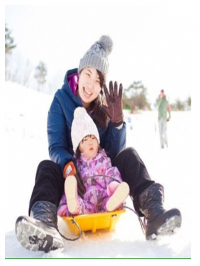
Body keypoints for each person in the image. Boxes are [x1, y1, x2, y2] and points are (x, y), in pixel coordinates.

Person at [15, 35, 182, 253]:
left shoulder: (102, 104)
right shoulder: (60, 100)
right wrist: (68, 167)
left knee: (129, 155)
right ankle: (45, 225)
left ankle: (153, 214)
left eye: (98, 81)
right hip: (72, 177)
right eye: (88, 74)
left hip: (101, 176)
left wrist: (117, 123)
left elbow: (114, 152)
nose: (91, 85)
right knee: (46, 167)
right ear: (79, 72)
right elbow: (56, 146)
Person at [58, 107, 129, 217]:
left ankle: (115, 199)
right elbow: (70, 187)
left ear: (98, 141)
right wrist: (64, 203)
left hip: (105, 201)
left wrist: (113, 185)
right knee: (75, 197)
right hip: (85, 204)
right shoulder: (76, 165)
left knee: (112, 187)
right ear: (79, 147)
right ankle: (74, 206)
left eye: (93, 138)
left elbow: (112, 173)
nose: (90, 143)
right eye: (85, 140)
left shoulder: (104, 160)